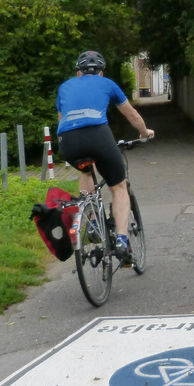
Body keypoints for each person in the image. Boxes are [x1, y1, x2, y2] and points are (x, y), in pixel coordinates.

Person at [56, 51, 154, 266]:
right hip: (97, 136)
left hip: (67, 140)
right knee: (118, 187)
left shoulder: (65, 87)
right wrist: (145, 133)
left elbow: (61, 119)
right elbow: (132, 115)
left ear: (78, 72)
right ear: (101, 73)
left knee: (85, 169)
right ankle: (121, 241)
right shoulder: (108, 84)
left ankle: (91, 222)